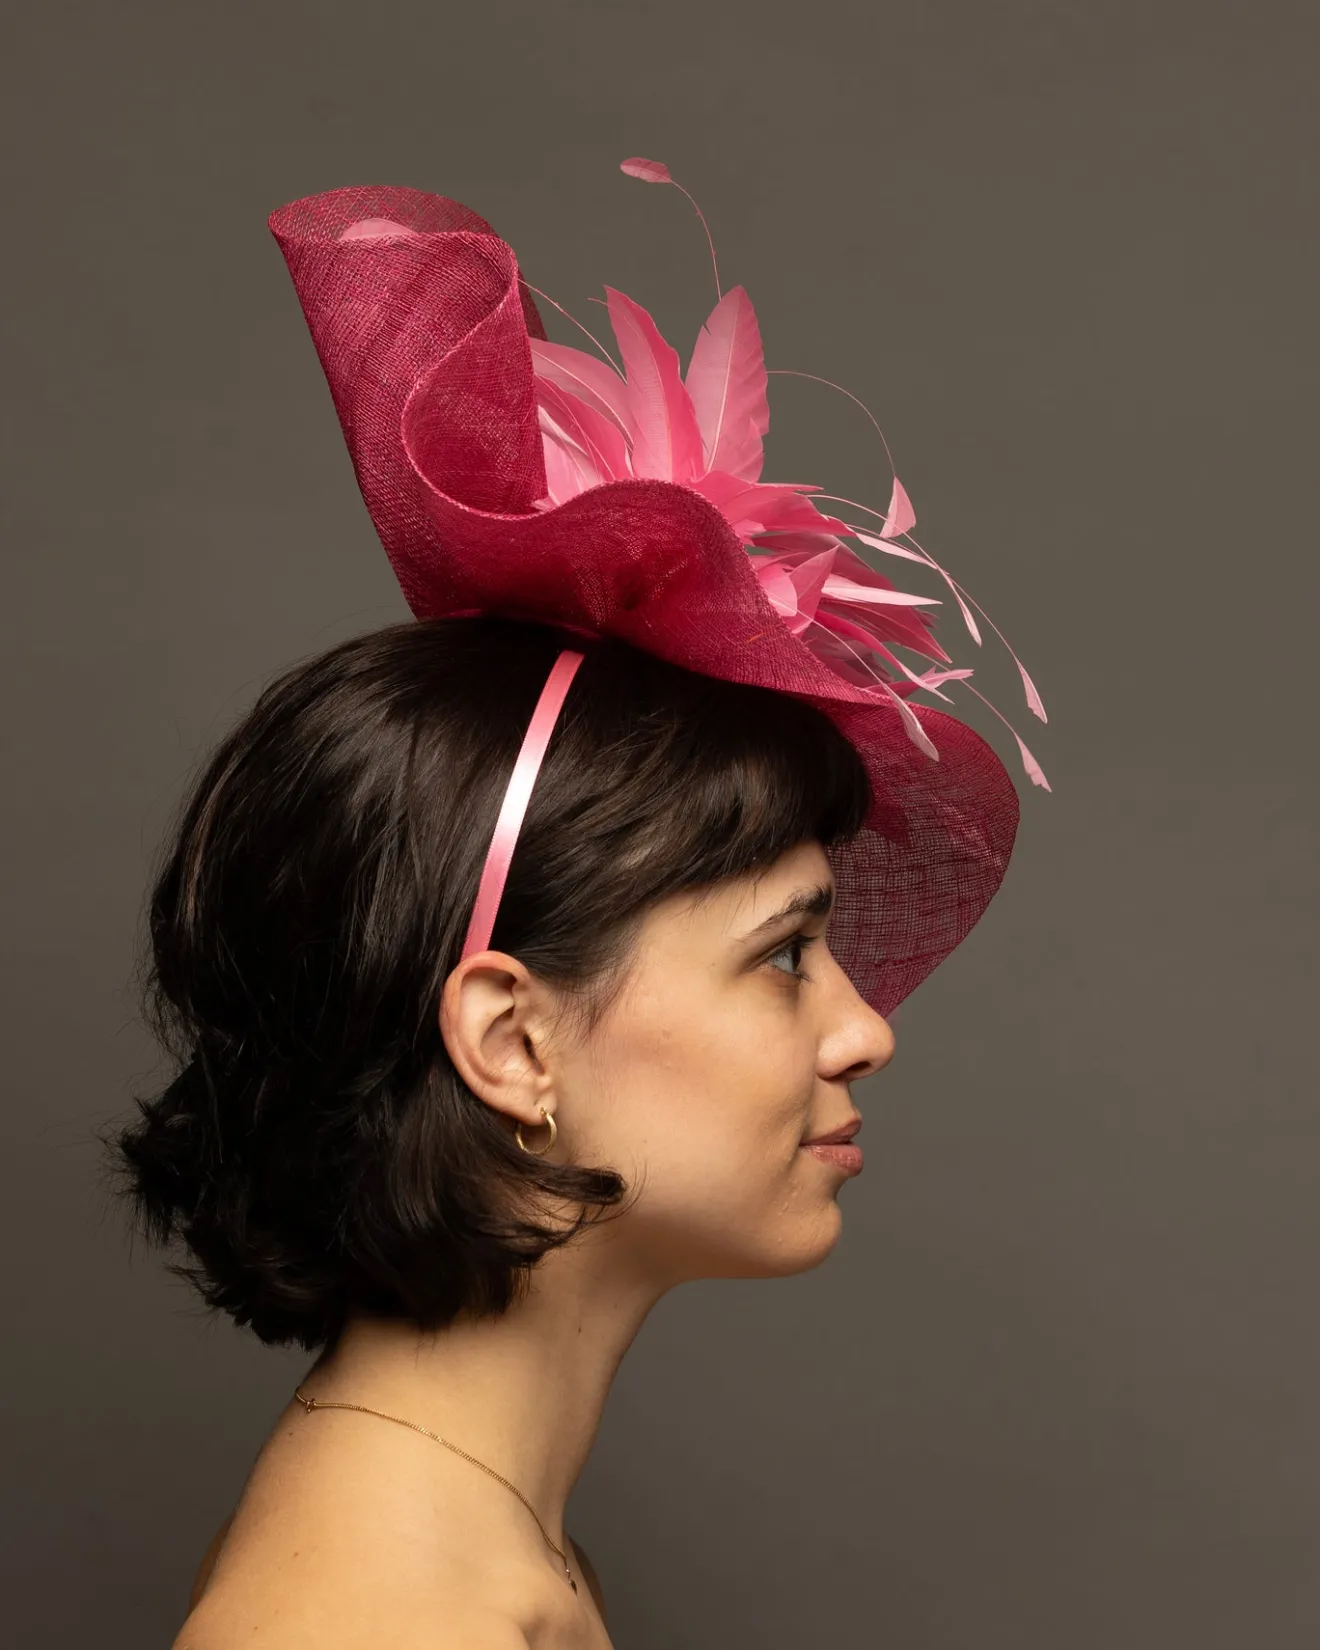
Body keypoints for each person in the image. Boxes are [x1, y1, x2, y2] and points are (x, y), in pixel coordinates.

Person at [113, 158, 1047, 1650]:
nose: (867, 1029)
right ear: (511, 1038)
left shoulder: (484, 1552)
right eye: (785, 954)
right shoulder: (383, 1615)